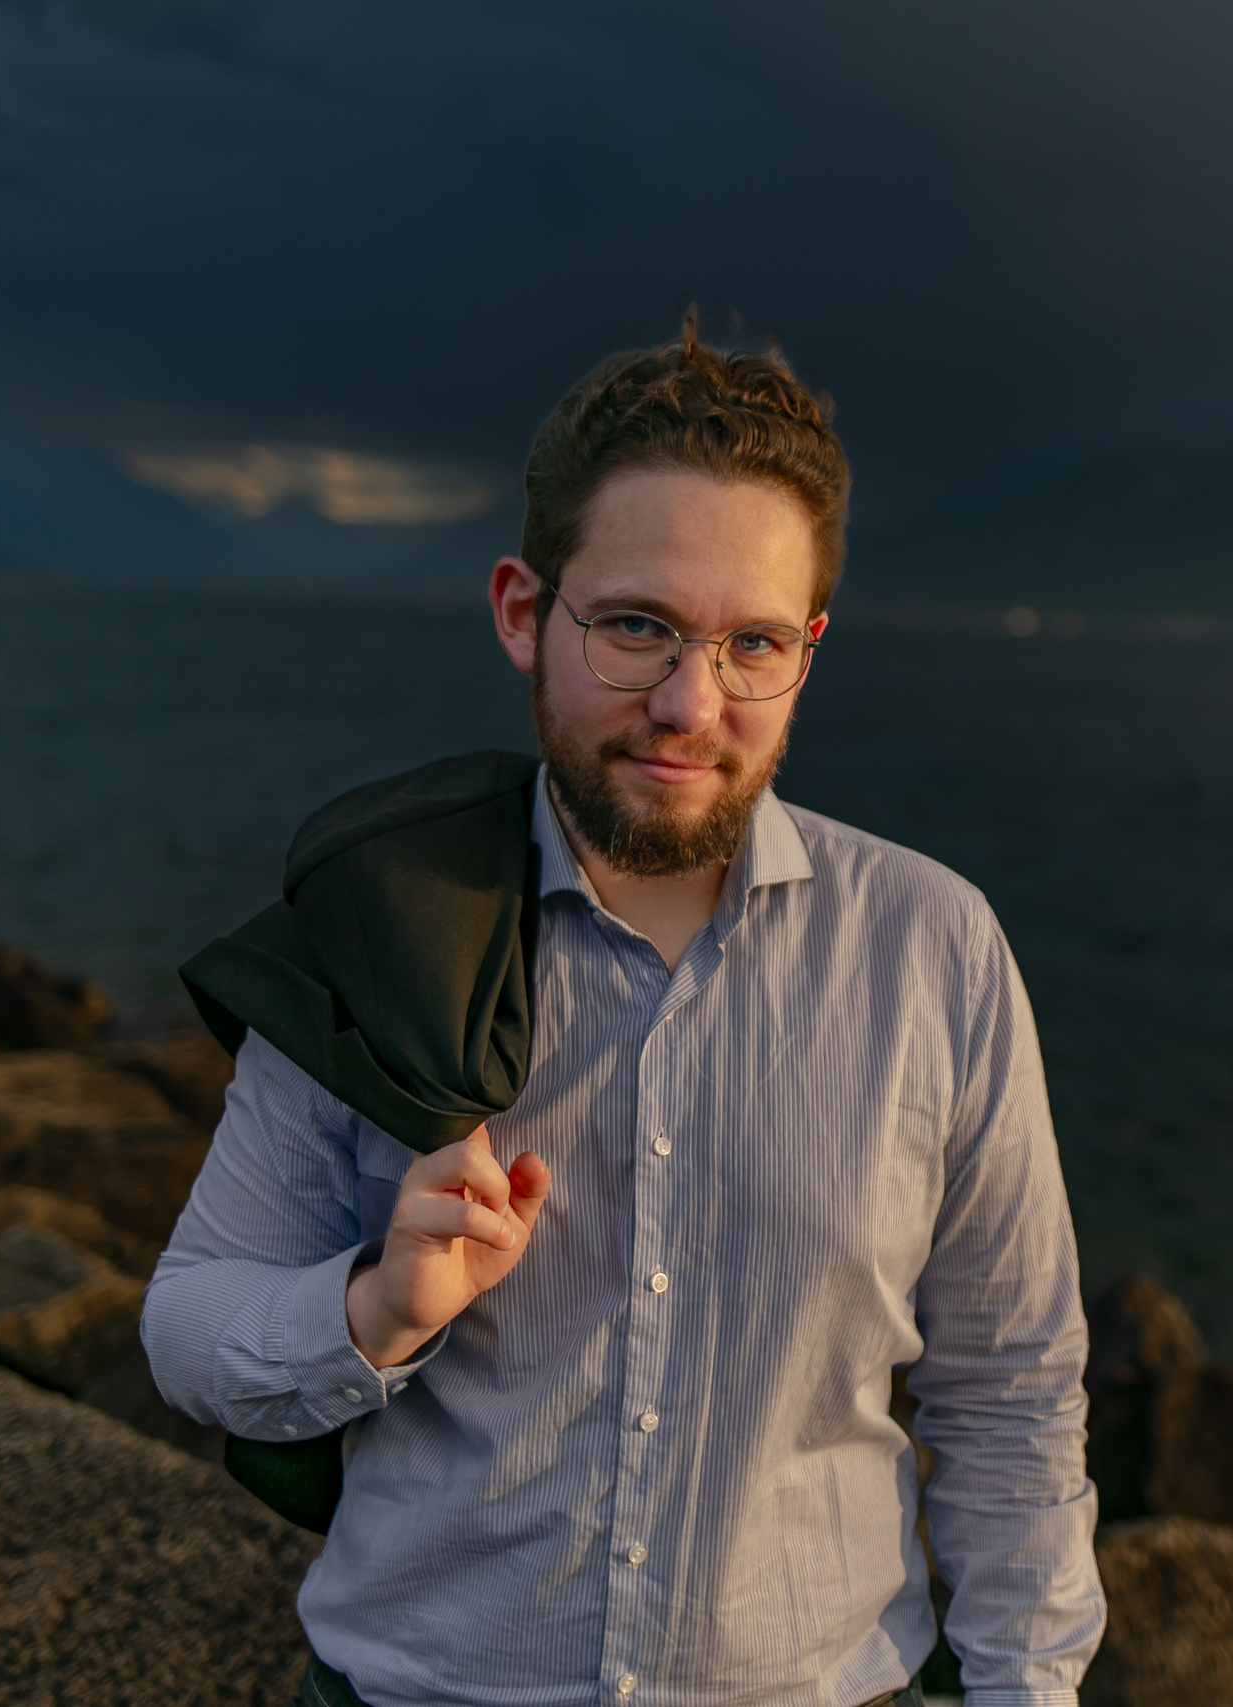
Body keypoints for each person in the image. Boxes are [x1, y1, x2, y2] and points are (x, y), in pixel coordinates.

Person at [143, 322, 1105, 1707]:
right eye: (637, 625)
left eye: (753, 643)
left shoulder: (933, 951)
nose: (688, 705)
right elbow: (189, 1324)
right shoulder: (380, 921)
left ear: (808, 649)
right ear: (524, 612)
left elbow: (1011, 1395)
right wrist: (376, 1312)